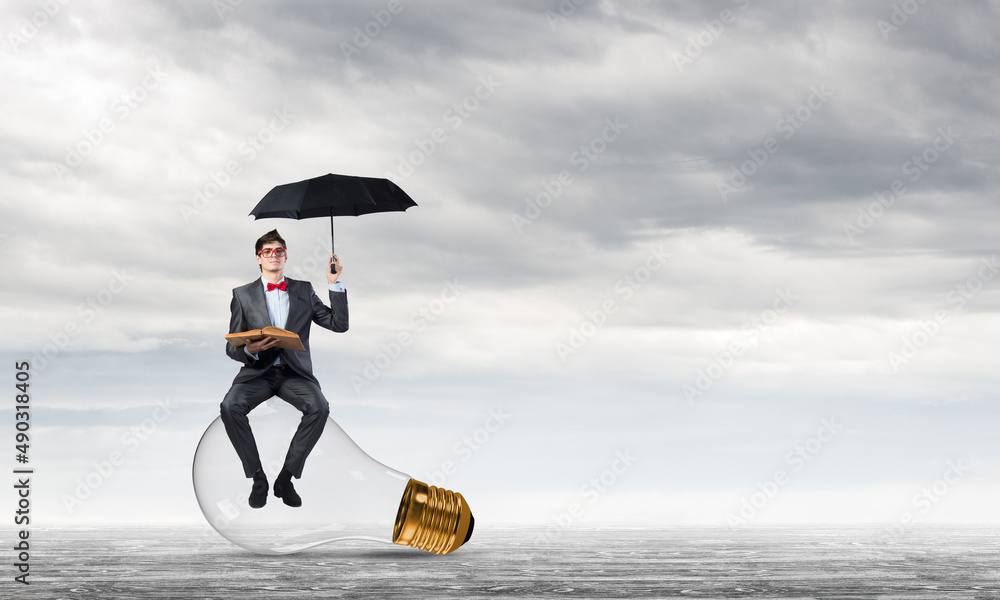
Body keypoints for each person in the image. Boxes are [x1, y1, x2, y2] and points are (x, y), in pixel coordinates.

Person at [220, 229, 348, 508]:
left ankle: (285, 478)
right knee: (230, 406)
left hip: (294, 372)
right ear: (258, 258)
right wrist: (249, 350)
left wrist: (334, 283)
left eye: (279, 251)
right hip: (258, 372)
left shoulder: (303, 290)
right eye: (267, 252)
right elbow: (231, 347)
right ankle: (258, 478)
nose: (273, 255)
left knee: (320, 407)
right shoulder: (241, 295)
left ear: (285, 256)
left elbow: (339, 324)